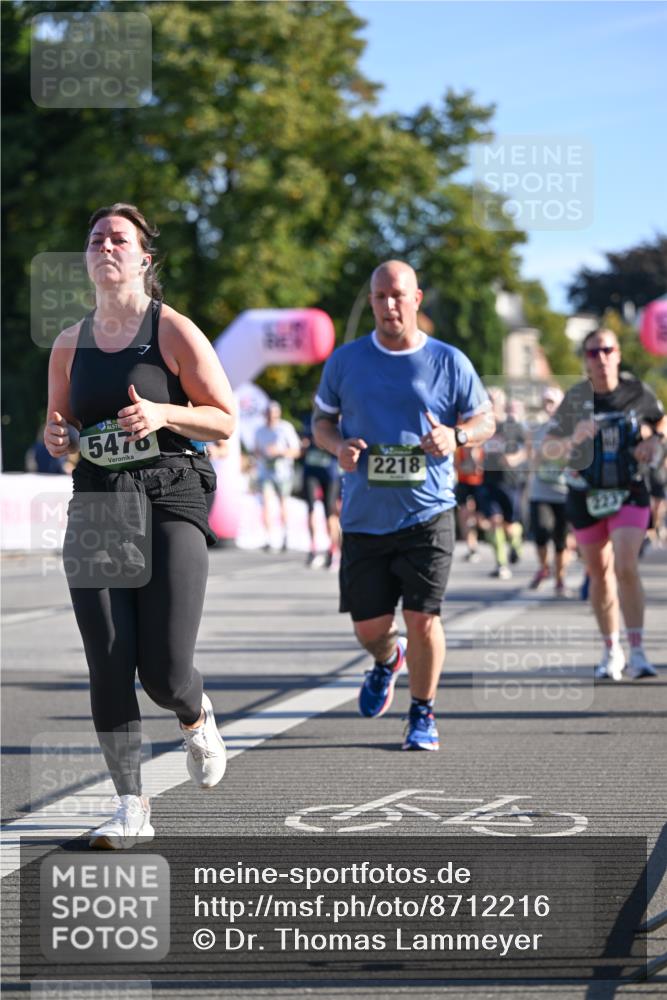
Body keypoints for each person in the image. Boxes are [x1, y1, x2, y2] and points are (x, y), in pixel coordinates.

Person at [44, 203, 236, 848]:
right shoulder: (70, 342)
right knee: (107, 661)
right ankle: (132, 806)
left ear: (143, 258)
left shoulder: (172, 330)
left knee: (165, 670)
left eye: (118, 238)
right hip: (99, 498)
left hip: (170, 492)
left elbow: (224, 418)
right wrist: (57, 433)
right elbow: (60, 429)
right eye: (96, 237)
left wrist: (162, 413)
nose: (105, 246)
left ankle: (194, 713)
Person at [313, 260, 494, 750]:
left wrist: (455, 435)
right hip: (365, 517)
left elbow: (485, 420)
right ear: (371, 302)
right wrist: (338, 447)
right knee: (370, 628)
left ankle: (422, 712)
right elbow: (322, 424)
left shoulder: (449, 360)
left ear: (416, 299)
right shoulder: (346, 361)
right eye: (380, 297)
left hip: (427, 512)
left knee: (423, 618)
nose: (389, 305)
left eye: (398, 295)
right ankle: (386, 660)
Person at [545, 328, 666, 680]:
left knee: (625, 565)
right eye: (592, 352)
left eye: (606, 350)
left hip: (629, 487)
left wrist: (655, 441)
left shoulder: (636, 391)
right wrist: (572, 438)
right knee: (598, 573)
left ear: (618, 354)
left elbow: (661, 421)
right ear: (584, 359)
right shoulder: (575, 399)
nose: (600, 358)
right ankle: (611, 650)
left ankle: (639, 651)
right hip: (585, 492)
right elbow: (547, 448)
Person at [477, 388, 527, 579]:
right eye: (487, 401)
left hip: (509, 481)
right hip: (488, 480)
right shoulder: (482, 426)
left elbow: (527, 448)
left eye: (494, 401)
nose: (491, 405)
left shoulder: (512, 426)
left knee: (510, 525)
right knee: (493, 521)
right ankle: (501, 564)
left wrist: (514, 458)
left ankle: (516, 541)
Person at [527, 386, 570, 595]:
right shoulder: (539, 429)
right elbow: (534, 459)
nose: (549, 406)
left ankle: (560, 579)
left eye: (552, 402)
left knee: (561, 540)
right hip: (541, 490)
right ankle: (544, 568)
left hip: (563, 491)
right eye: (546, 402)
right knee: (541, 532)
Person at [254, 401, 301, 552]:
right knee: (266, 503)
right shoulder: (259, 431)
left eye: (274, 415)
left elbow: (296, 451)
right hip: (265, 471)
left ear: (278, 414)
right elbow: (256, 451)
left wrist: (279, 452)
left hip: (283, 472)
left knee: (283, 503)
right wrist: (263, 454)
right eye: (268, 414)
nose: (271, 418)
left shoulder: (285, 428)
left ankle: (285, 535)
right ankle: (269, 538)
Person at [300, 411, 341, 568]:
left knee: (330, 511)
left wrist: (326, 442)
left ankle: (333, 550)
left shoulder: (337, 418)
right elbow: (303, 443)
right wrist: (305, 443)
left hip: (330, 472)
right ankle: (313, 549)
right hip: (311, 470)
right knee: (310, 508)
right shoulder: (307, 418)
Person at [454, 442, 484, 562]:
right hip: (464, 485)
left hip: (479, 485)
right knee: (464, 516)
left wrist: (472, 456)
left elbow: (478, 469)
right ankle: (472, 548)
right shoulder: (459, 449)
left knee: (480, 519)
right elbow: (458, 467)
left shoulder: (481, 448)